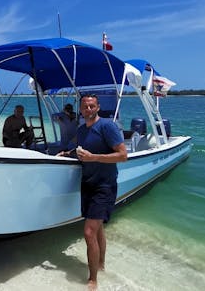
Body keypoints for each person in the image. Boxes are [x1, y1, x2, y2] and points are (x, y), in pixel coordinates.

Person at [58, 94, 127, 290]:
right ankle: (101, 264)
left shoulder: (107, 126)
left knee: (89, 233)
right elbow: (81, 150)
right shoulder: (81, 130)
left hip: (104, 186)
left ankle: (93, 279)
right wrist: (67, 154)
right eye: (85, 107)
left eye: (91, 106)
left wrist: (94, 157)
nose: (88, 109)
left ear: (97, 108)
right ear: (80, 110)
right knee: (97, 230)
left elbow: (123, 155)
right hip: (87, 184)